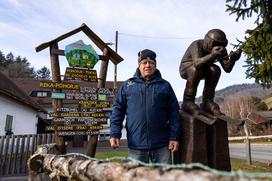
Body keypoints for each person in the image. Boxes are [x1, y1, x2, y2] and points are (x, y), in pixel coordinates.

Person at [110, 49, 180, 164]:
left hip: (162, 145)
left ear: (155, 65)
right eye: (144, 63)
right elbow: (118, 111)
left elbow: (174, 113)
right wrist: (114, 133)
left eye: (151, 63)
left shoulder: (165, 86)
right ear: (139, 65)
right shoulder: (128, 85)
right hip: (136, 145)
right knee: (136, 177)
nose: (148, 65)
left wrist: (174, 137)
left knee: (164, 178)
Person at [179, 29, 242, 116]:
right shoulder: (197, 44)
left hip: (203, 68)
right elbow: (197, 63)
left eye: (221, 44)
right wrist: (212, 55)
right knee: (195, 70)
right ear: (207, 40)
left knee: (215, 70)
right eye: (214, 44)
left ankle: (207, 102)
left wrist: (233, 59)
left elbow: (227, 69)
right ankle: (188, 102)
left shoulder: (221, 50)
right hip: (187, 67)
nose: (216, 47)